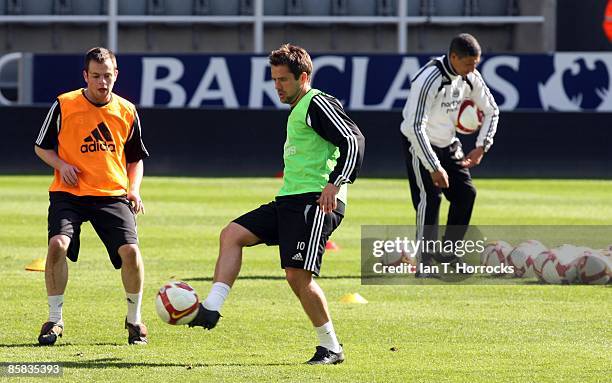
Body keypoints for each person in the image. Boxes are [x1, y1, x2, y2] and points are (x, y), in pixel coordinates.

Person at [187, 44, 365, 365]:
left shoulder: (317, 103)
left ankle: (332, 348)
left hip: (316, 202)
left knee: (297, 277)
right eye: (274, 79)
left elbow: (353, 140)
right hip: (289, 200)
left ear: (303, 77)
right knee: (232, 234)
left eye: (283, 79)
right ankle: (211, 308)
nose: (277, 86)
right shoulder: (298, 108)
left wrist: (335, 184)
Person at [34, 47, 150, 345]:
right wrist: (61, 164)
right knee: (57, 245)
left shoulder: (127, 110)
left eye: (107, 75)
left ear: (116, 75)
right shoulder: (64, 104)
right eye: (96, 76)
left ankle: (134, 320)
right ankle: (54, 319)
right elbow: (41, 146)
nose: (102, 82)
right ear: (86, 75)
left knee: (132, 253)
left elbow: (135, 158)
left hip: (111, 194)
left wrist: (133, 189)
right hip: (68, 193)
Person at [400, 33, 499, 277]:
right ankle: (424, 263)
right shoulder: (429, 79)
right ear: (453, 57)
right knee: (430, 200)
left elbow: (492, 110)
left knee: (466, 194)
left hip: (449, 144)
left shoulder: (470, 77)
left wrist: (481, 146)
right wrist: (434, 166)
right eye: (468, 64)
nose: (472, 70)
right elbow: (414, 126)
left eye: (476, 64)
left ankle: (448, 253)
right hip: (419, 144)